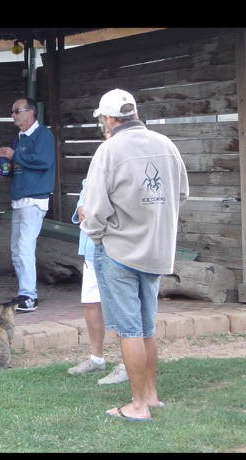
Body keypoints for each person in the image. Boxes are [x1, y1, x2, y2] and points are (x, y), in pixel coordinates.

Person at [82, 88, 189, 421]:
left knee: (129, 330)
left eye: (102, 119)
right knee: (146, 328)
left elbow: (96, 207)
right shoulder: (166, 144)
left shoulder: (109, 149)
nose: (103, 124)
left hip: (120, 251)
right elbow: (181, 192)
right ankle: (152, 396)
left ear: (110, 118)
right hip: (156, 251)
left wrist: (95, 232)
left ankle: (138, 406)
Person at [0, 98, 55, 313]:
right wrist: (6, 167)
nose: (13, 115)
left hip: (34, 199)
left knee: (24, 247)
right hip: (20, 199)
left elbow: (43, 162)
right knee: (16, 249)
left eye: (16, 111)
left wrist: (15, 155)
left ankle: (30, 297)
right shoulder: (20, 137)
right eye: (12, 111)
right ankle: (24, 293)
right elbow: (22, 165)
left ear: (31, 112)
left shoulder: (43, 135)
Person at [67, 176, 128, 385]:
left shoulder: (124, 174)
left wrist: (92, 213)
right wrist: (82, 209)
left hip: (114, 251)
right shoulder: (93, 175)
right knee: (91, 304)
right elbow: (81, 208)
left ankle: (127, 363)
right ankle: (96, 359)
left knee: (121, 308)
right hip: (92, 251)